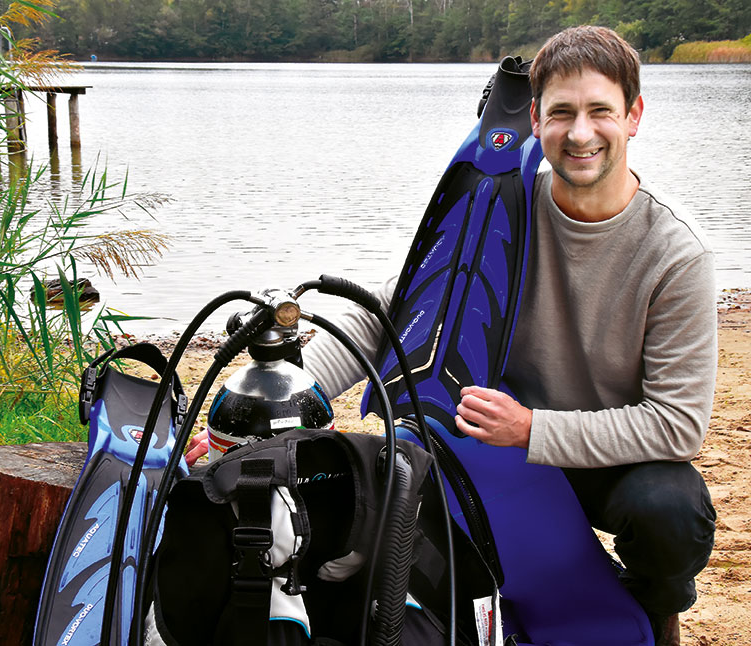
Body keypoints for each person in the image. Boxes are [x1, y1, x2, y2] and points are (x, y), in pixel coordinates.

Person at [187, 26, 716, 646]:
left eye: (600, 111)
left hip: (603, 457)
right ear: (536, 122)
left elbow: (679, 424)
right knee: (396, 477)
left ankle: (656, 616)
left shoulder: (674, 257)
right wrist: (285, 409)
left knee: (671, 510)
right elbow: (385, 313)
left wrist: (535, 428)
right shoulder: (502, 206)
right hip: (491, 444)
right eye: (560, 113)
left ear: (633, 116)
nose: (579, 133)